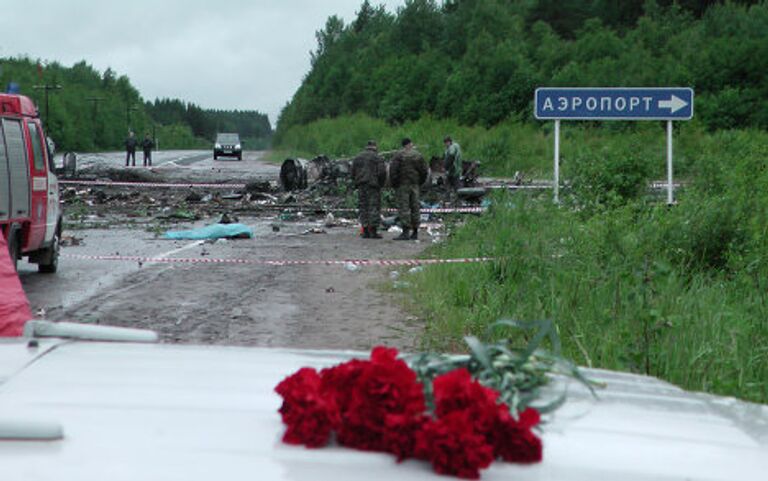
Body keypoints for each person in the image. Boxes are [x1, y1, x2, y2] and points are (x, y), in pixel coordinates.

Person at [389, 138, 427, 241]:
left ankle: (405, 232)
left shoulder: (399, 155)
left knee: (404, 208)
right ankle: (415, 232)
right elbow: (424, 171)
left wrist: (394, 184)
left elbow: (393, 170)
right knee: (415, 207)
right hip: (415, 185)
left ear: (403, 145)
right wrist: (419, 182)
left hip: (402, 185)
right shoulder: (418, 155)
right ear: (411, 144)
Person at [350, 140, 386, 239]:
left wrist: (356, 181)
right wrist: (381, 184)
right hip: (373, 186)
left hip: (361, 185)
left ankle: (365, 230)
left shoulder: (358, 157)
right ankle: (373, 231)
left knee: (363, 207)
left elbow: (352, 172)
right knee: (373, 207)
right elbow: (382, 172)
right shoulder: (377, 157)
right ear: (375, 147)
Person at [443, 135, 462, 201]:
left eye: (446, 143)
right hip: (456, 169)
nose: (445, 145)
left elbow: (451, 157)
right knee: (453, 185)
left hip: (453, 170)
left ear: (449, 142)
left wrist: (445, 167)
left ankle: (450, 200)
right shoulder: (456, 146)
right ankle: (454, 199)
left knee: (453, 185)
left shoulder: (452, 147)